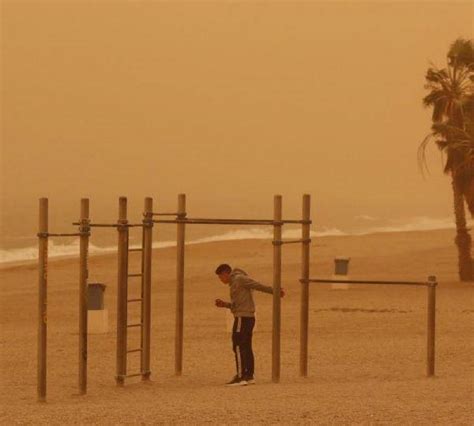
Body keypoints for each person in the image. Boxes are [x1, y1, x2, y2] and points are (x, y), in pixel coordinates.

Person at [214, 263, 285, 386]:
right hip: (245, 316)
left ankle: (241, 377)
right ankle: (249, 375)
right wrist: (225, 304)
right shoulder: (235, 282)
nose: (221, 280)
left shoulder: (239, 279)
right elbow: (237, 305)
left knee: (238, 345)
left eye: (220, 277)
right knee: (245, 346)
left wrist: (275, 291)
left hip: (243, 317)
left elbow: (257, 285)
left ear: (225, 273)